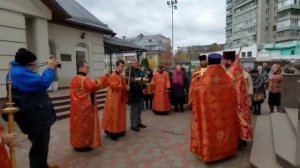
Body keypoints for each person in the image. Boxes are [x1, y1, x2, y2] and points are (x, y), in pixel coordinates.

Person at [8, 48, 58, 168]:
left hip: (36, 116)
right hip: (35, 118)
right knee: (39, 148)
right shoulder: (18, 73)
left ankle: (43, 165)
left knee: (41, 146)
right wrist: (50, 69)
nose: (35, 67)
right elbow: (42, 83)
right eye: (33, 64)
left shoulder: (18, 70)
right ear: (26, 64)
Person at [190, 53, 238, 162]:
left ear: (209, 61)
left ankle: (210, 154)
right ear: (220, 61)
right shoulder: (227, 78)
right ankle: (226, 151)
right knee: (225, 128)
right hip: (224, 114)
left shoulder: (204, 80)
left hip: (208, 114)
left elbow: (194, 92)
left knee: (209, 130)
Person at [69, 61, 109, 151]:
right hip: (85, 108)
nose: (88, 69)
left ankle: (76, 144)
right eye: (86, 67)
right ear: (80, 68)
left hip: (76, 108)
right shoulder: (83, 79)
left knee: (77, 126)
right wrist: (105, 76)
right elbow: (94, 86)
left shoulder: (74, 78)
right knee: (84, 127)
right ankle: (83, 146)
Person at [222, 51, 253, 144]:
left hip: (238, 102)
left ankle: (241, 140)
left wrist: (249, 97)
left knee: (238, 121)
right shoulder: (228, 72)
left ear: (230, 61)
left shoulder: (240, 73)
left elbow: (250, 86)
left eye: (225, 60)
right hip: (233, 103)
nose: (223, 62)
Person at [102, 59, 128, 141]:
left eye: (123, 66)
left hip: (120, 98)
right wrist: (122, 84)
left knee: (120, 114)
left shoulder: (121, 76)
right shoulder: (112, 75)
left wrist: (126, 86)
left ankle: (119, 130)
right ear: (117, 66)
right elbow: (114, 86)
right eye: (121, 66)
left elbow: (123, 86)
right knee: (114, 115)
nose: (123, 68)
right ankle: (112, 132)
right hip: (113, 99)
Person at [126, 58, 147, 132]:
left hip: (140, 93)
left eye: (137, 63)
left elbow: (143, 79)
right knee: (134, 110)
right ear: (131, 63)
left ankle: (138, 122)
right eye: (135, 63)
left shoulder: (139, 70)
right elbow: (132, 84)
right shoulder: (129, 71)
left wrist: (144, 88)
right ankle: (133, 125)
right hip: (134, 93)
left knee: (139, 109)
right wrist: (141, 89)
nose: (137, 64)